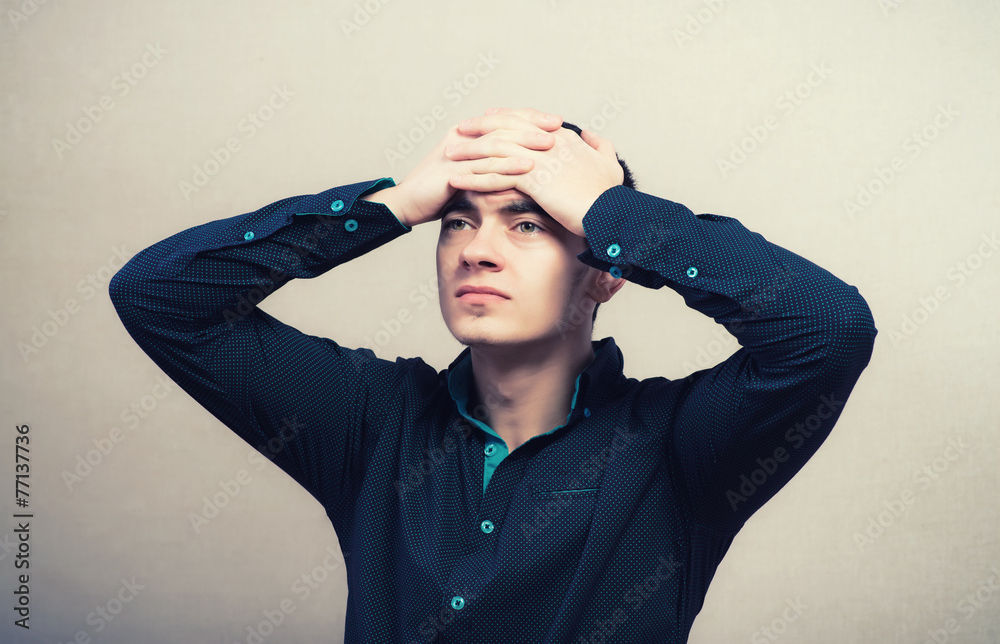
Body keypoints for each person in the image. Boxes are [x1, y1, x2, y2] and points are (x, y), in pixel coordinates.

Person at [109, 107, 878, 643]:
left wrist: (614, 213)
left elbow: (827, 329)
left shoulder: (680, 452)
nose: (476, 249)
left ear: (607, 274)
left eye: (528, 223)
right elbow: (159, 296)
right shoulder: (371, 424)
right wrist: (392, 204)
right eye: (458, 221)